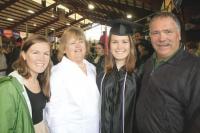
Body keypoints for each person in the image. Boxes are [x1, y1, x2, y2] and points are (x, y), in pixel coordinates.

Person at [136, 12, 200, 133]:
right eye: (156, 33)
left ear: (179, 35)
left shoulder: (195, 68)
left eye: (168, 32)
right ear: (150, 36)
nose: (162, 38)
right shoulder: (149, 62)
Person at [45, 27, 100, 133]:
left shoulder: (92, 68)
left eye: (81, 41)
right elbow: (53, 112)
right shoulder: (57, 73)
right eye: (73, 43)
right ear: (64, 49)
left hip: (94, 127)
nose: (78, 46)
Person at [0, 34, 51, 133]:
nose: (42, 58)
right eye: (35, 52)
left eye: (46, 53)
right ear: (24, 55)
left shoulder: (42, 81)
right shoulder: (9, 87)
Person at [97, 20, 138, 133]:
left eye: (124, 41)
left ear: (131, 45)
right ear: (109, 45)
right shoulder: (101, 75)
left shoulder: (139, 75)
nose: (120, 46)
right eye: (115, 42)